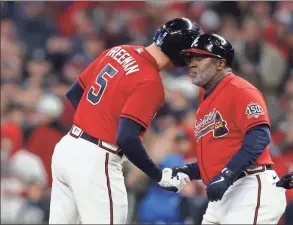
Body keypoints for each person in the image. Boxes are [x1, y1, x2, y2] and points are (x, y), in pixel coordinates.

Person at [48, 18, 203, 224]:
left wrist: (97, 123)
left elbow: (75, 93)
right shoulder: (150, 82)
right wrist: (158, 175)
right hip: (97, 160)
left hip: (67, 148)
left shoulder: (118, 51)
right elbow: (127, 138)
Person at [170, 34, 293, 224]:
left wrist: (227, 174)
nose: (192, 64)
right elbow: (217, 158)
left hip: (249, 186)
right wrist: (188, 170)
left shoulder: (240, 90)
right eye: (190, 59)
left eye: (200, 58)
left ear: (220, 64)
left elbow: (259, 137)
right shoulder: (205, 104)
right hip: (222, 193)